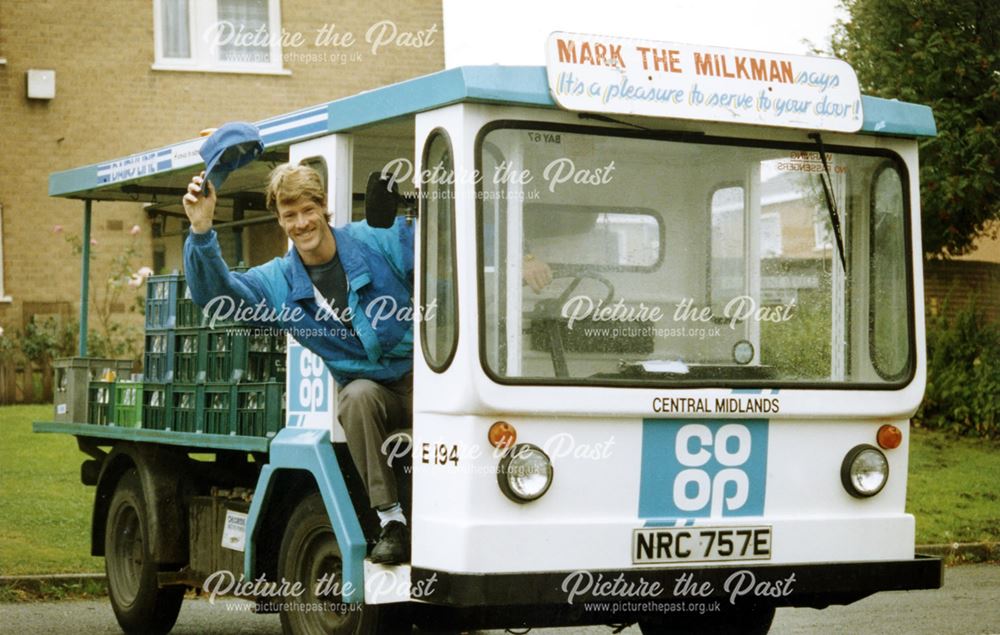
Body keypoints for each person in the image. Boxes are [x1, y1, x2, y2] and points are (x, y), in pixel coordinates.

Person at [182, 162, 414, 565]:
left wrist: (526, 259)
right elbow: (219, 296)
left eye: (308, 210)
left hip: (424, 376)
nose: (302, 223)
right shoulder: (278, 282)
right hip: (372, 392)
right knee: (355, 398)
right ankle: (391, 520)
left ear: (324, 207)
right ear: (279, 220)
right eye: (289, 215)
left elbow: (451, 249)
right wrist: (201, 232)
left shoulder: (377, 239)